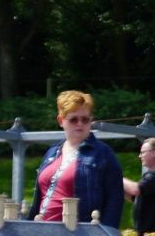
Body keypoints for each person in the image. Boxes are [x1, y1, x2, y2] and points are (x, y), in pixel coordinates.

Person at [28, 90, 124, 228]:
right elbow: (38, 199)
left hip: (79, 233)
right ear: (61, 121)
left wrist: (108, 235)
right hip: (42, 230)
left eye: (85, 119)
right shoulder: (51, 152)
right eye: (73, 119)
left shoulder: (103, 153)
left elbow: (115, 198)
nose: (80, 124)